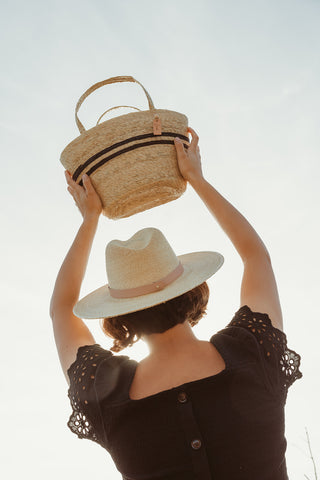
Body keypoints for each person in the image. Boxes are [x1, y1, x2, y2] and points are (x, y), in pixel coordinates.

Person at [50, 127, 302, 480]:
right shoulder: (253, 349)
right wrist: (195, 178)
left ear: (118, 318)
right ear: (191, 291)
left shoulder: (106, 393)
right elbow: (256, 257)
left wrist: (90, 217)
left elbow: (62, 308)